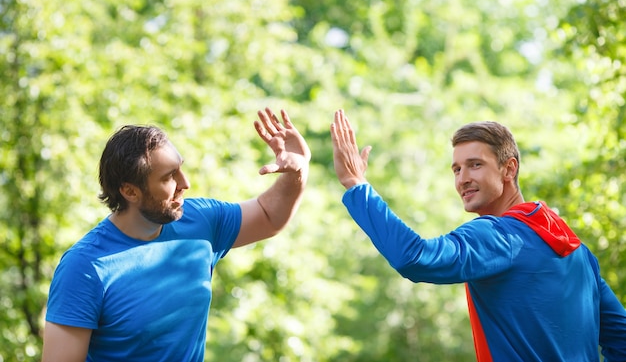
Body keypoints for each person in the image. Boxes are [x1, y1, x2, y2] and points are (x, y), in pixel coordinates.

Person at [330, 109, 626, 361]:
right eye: (456, 169)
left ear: (509, 169)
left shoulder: (497, 236)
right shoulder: (579, 254)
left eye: (475, 165)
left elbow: (414, 257)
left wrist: (357, 185)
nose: (462, 179)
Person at [42, 108, 310, 362]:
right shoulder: (84, 267)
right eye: (169, 177)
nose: (185, 183)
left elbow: (268, 215)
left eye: (180, 168)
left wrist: (298, 171)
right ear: (130, 191)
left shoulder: (200, 220)